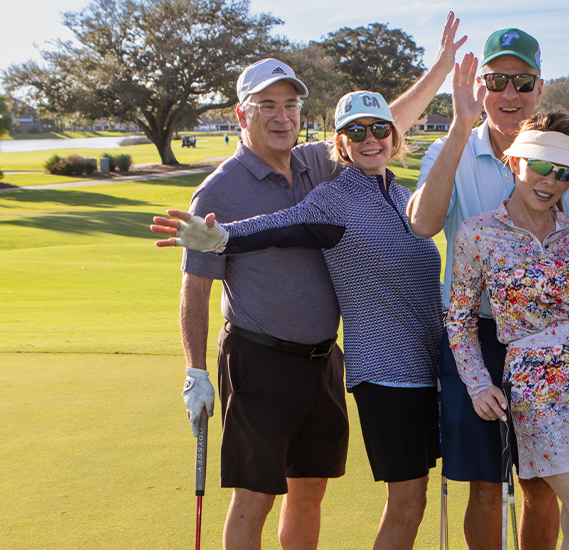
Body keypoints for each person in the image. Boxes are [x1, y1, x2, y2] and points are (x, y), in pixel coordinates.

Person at [168, 14, 464, 550]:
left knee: (309, 491)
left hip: (323, 359)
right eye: (267, 106)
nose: (281, 117)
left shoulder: (317, 164)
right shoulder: (220, 191)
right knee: (255, 496)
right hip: (259, 357)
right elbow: (201, 280)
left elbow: (379, 123)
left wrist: (440, 70)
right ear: (242, 113)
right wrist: (194, 370)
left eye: (290, 105)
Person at [406, 27, 569, 550]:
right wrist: (459, 126)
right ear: (482, 88)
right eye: (497, 80)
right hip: (473, 337)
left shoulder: (564, 161)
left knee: (541, 484)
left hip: (551, 343)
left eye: (522, 80)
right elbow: (424, 223)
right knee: (484, 485)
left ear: (540, 88)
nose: (509, 93)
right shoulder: (453, 147)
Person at [445, 111, 569, 550]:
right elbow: (459, 320)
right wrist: (478, 384)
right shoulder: (478, 234)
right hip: (538, 392)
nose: (551, 181)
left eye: (563, 173)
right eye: (541, 166)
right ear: (515, 162)